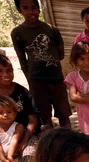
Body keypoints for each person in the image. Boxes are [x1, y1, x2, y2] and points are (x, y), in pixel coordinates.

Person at [10, 0, 71, 131]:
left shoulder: (52, 30)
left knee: (64, 115)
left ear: (38, 9)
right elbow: (22, 60)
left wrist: (48, 60)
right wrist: (31, 80)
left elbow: (60, 55)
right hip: (36, 80)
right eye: (25, 8)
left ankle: (69, 145)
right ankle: (50, 147)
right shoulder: (17, 33)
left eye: (33, 8)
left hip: (56, 78)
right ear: (20, 10)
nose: (30, 11)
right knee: (45, 118)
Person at [0, 54, 39, 162]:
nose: (6, 74)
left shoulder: (22, 92)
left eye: (9, 70)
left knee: (29, 155)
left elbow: (33, 119)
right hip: (1, 137)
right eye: (0, 71)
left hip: (24, 134)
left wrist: (24, 140)